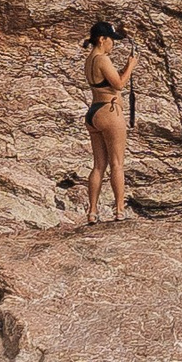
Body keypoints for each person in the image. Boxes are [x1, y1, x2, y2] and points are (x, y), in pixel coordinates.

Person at [81, 21, 136, 223]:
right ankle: (120, 210)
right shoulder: (102, 59)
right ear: (102, 39)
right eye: (111, 40)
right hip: (109, 111)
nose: (113, 44)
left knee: (98, 166)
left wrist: (122, 68)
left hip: (93, 113)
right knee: (117, 164)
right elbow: (119, 85)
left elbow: (108, 81)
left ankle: (92, 212)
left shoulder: (90, 59)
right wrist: (131, 65)